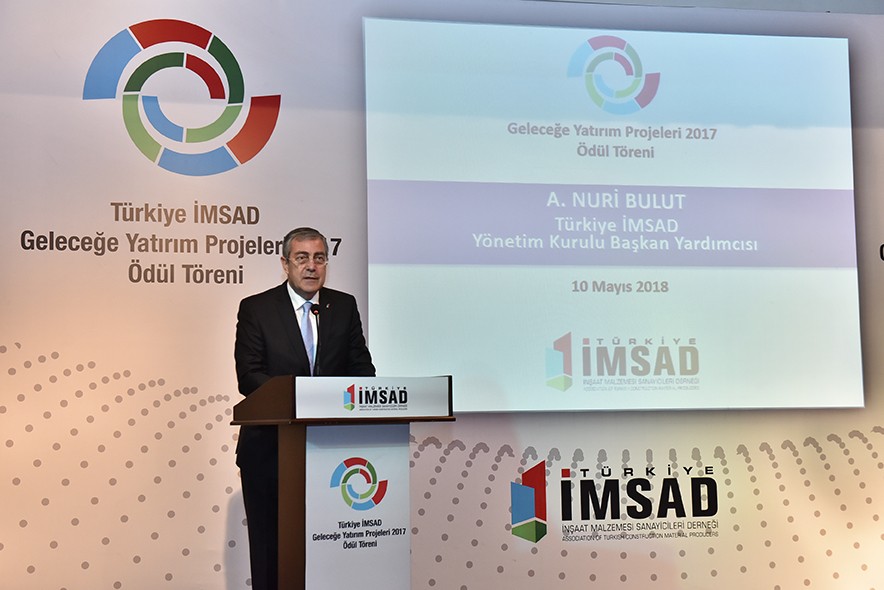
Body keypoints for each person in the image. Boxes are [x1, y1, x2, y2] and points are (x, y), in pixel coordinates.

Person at [234, 227, 375, 590]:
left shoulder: (343, 306)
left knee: (327, 553)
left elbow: (362, 370)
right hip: (269, 452)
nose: (311, 266)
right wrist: (303, 399)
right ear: (285, 264)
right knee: (271, 554)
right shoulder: (257, 308)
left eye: (319, 258)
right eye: (302, 258)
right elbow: (249, 376)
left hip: (333, 455)